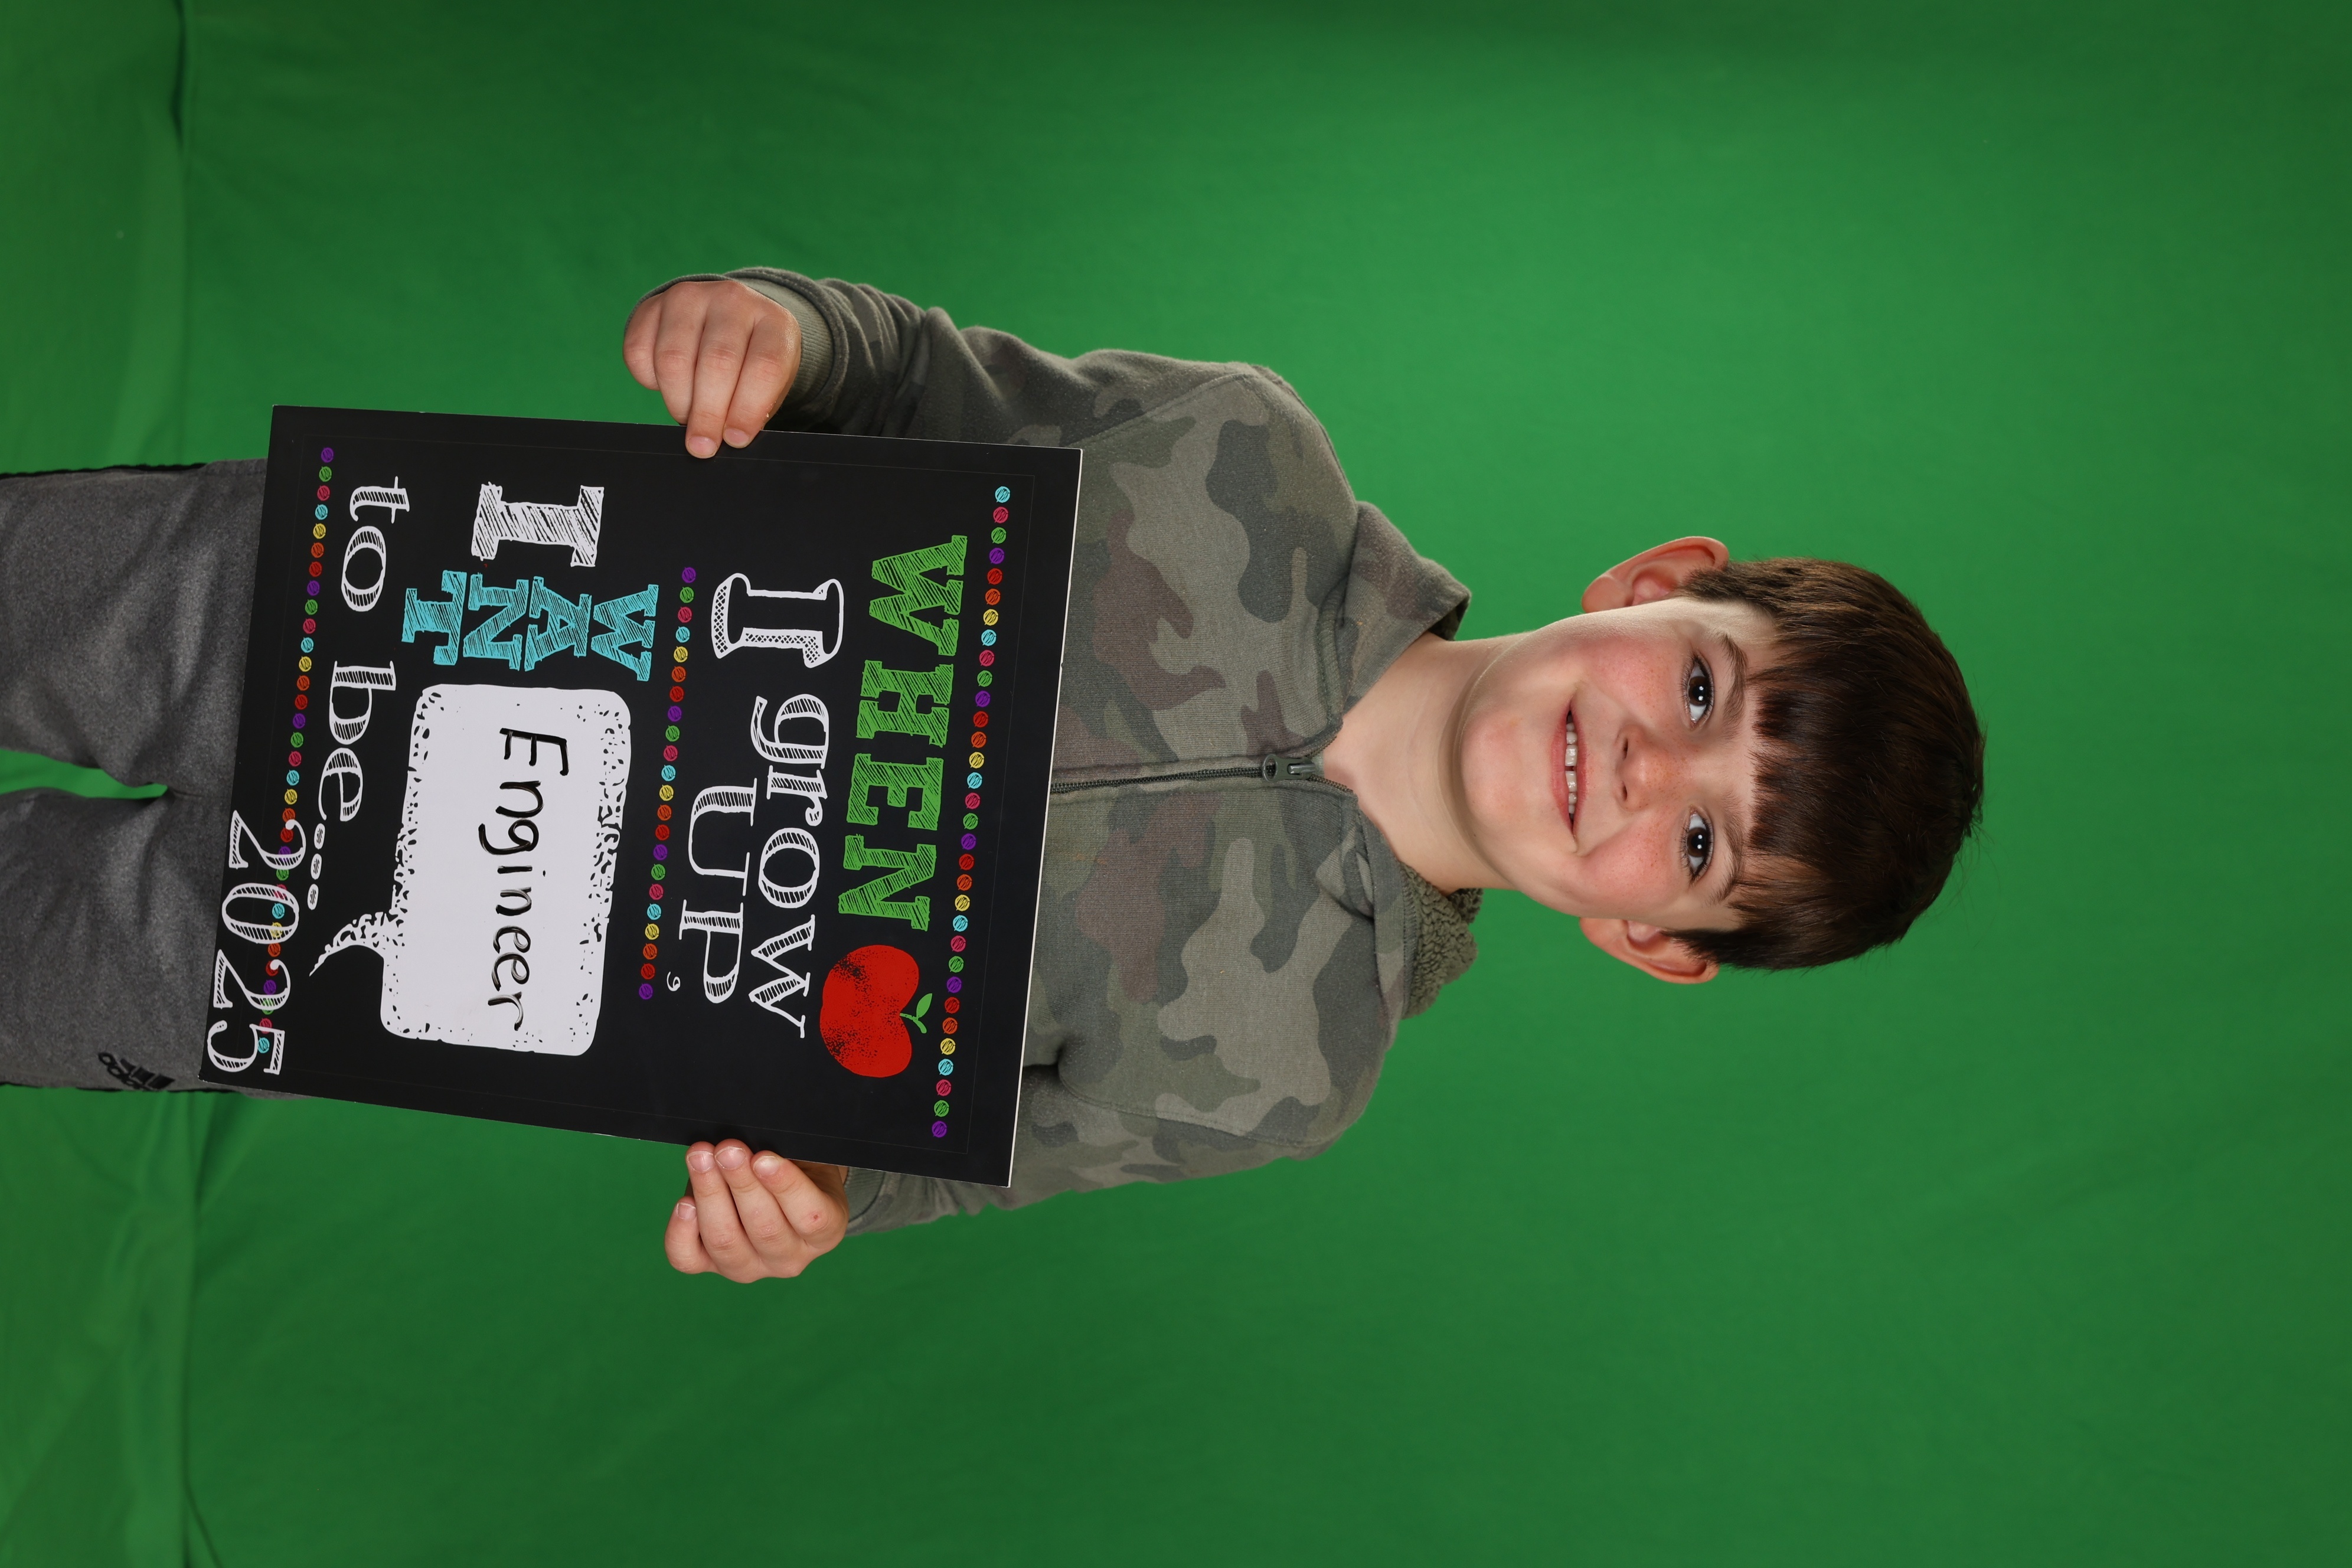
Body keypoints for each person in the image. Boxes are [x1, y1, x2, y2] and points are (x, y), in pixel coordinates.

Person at [0, 271, 1983, 1285]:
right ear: (1656, 584)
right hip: (394, 596)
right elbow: (907, 377)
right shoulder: (1246, 457)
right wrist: (773, 331)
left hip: (416, 940)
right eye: (1703, 685)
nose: (1642, 764)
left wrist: (814, 1206)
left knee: (52, 967)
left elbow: (949, 1154)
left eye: (1700, 838)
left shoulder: (1294, 1071)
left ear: (1652, 938)